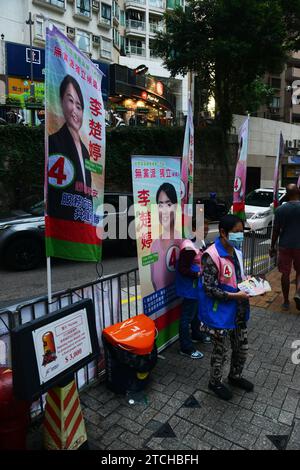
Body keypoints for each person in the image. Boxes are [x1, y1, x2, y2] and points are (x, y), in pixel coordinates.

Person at [199, 214, 253, 401]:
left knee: (241, 347)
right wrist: (234, 295)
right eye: (236, 232)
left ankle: (235, 376)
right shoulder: (211, 255)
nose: (240, 236)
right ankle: (215, 382)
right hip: (220, 314)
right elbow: (208, 288)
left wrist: (251, 285)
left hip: (238, 310)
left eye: (242, 232)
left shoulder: (236, 250)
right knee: (220, 351)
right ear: (223, 232)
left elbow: (238, 277)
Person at [47, 74, 91, 221]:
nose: (74, 110)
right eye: (70, 101)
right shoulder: (53, 142)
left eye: (79, 106)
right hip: (63, 224)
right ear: (61, 102)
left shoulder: (86, 151)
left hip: (83, 224)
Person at [176, 218, 211, 359]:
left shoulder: (198, 241)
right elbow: (182, 268)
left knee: (196, 311)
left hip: (196, 285)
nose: (206, 232)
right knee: (187, 316)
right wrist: (197, 273)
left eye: (207, 230)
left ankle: (196, 334)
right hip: (190, 286)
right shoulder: (189, 246)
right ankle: (186, 347)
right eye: (204, 229)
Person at [269, 184, 300, 311]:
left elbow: (276, 230)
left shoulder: (280, 210)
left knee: (285, 273)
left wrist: (272, 246)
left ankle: (286, 301)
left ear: (287, 194)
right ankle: (298, 293)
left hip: (285, 245)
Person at [151, 183, 181, 291]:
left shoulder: (183, 241)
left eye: (168, 205)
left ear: (176, 206)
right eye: (160, 205)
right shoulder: (154, 246)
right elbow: (154, 282)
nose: (164, 211)